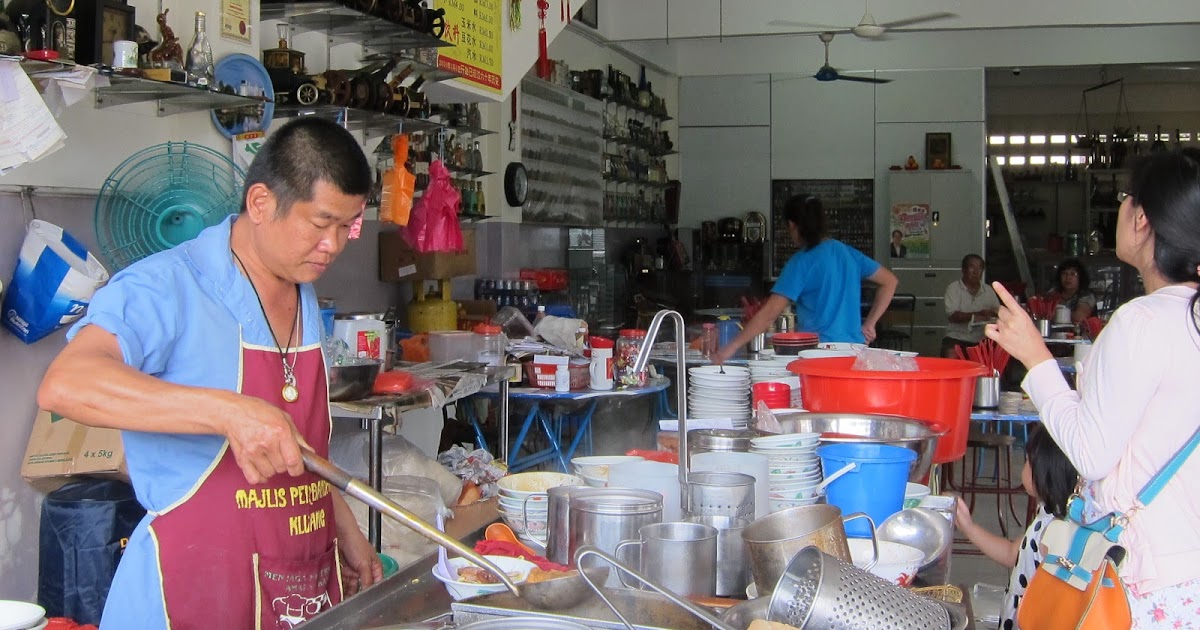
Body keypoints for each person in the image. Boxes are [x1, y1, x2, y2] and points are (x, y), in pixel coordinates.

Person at [37, 118, 381, 630]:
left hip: (298, 581)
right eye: (320, 223)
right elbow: (66, 383)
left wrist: (344, 523)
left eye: (346, 226)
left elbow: (299, 443)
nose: (333, 245)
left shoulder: (302, 290)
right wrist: (228, 411)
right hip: (190, 590)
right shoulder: (167, 286)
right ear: (261, 203)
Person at [985, 151, 1200, 626]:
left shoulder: (1141, 321)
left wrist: (1036, 358)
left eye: (1126, 199)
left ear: (1142, 218)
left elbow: (1091, 451)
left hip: (1139, 581)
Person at [713, 195, 898, 361]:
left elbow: (769, 314)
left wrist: (729, 348)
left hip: (819, 353)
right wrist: (870, 324)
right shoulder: (847, 253)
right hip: (856, 352)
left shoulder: (801, 262)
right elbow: (890, 281)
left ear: (792, 225)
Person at [955, 425, 1079, 630]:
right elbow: (1014, 554)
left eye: (1028, 461)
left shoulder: (1056, 531)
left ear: (1043, 472)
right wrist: (969, 528)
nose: (1024, 467)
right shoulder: (1047, 515)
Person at [942, 254, 1001, 357]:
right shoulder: (953, 289)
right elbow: (953, 317)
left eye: (980, 268)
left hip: (983, 338)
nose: (976, 272)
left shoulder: (988, 290)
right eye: (972, 267)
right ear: (964, 269)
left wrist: (991, 314)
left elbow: (998, 313)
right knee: (950, 353)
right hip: (958, 337)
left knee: (1001, 352)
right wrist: (978, 314)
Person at [1045, 258, 1096, 324]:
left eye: (1073, 274)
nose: (1068, 277)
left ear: (1080, 277)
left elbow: (1079, 318)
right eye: (1064, 273)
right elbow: (1044, 314)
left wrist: (1057, 314)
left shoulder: (1086, 295)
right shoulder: (1053, 292)